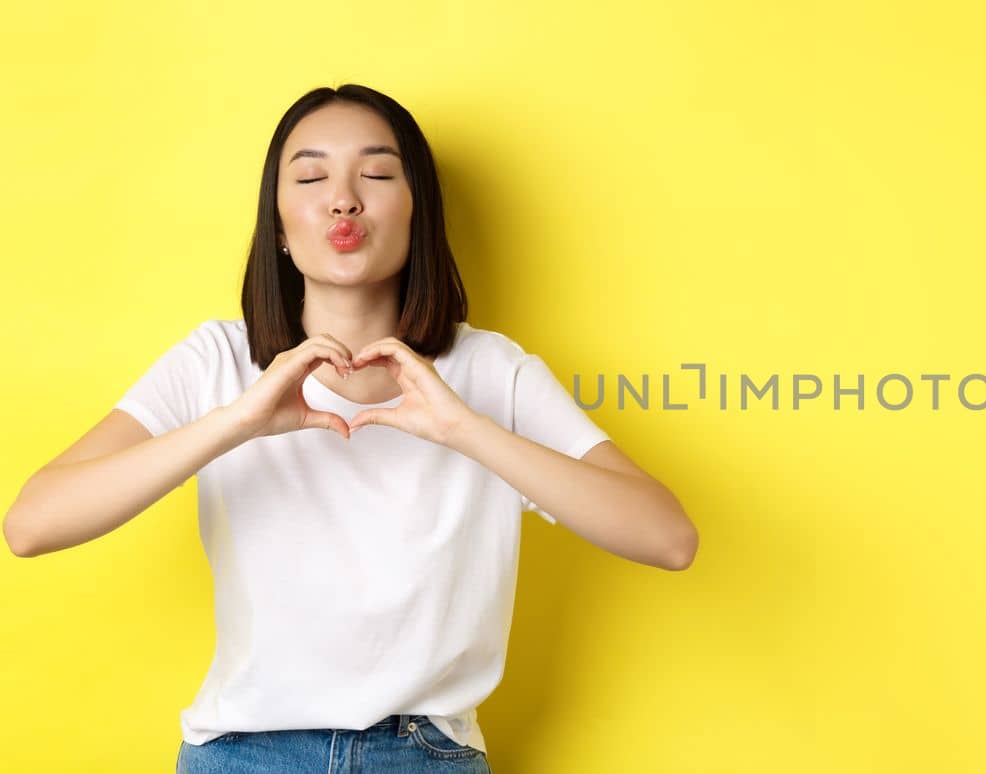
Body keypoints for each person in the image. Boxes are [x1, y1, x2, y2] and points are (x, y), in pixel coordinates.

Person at [2, 83, 697, 773]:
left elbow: (667, 538)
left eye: (375, 173)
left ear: (418, 212)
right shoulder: (215, 360)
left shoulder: (491, 371)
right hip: (243, 755)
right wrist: (236, 422)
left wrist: (463, 428)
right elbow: (31, 525)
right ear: (277, 223)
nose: (343, 198)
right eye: (310, 176)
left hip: (426, 755)